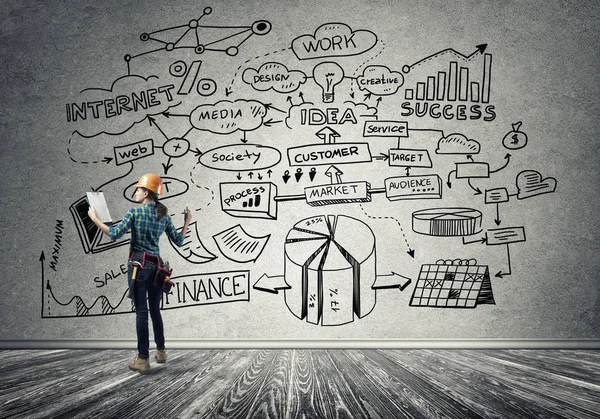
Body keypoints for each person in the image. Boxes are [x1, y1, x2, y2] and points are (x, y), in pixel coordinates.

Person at [88, 173, 191, 374]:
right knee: (155, 311)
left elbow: (114, 234)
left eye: (138, 189)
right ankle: (161, 352)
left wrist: (94, 219)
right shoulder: (164, 216)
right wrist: (187, 221)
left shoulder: (134, 213)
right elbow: (179, 240)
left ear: (146, 192)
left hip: (138, 267)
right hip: (158, 269)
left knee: (142, 312)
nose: (135, 192)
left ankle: (143, 359)